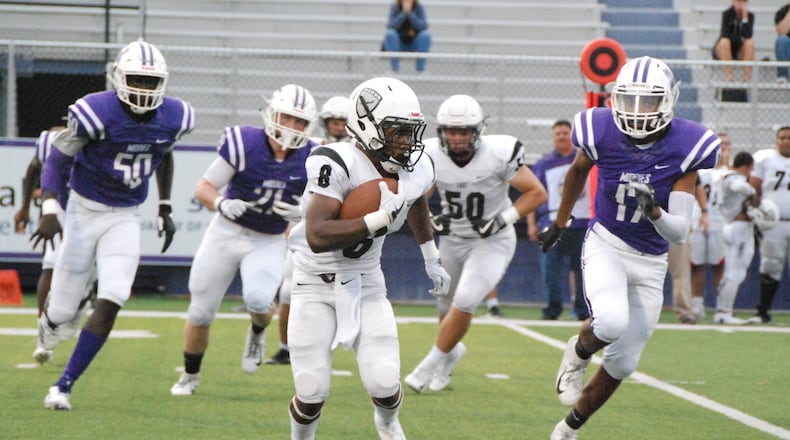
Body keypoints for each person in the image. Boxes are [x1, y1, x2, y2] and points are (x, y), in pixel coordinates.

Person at [539, 56, 720, 439]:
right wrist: (560, 222)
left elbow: (679, 233)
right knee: (611, 321)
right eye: (629, 100)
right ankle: (579, 351)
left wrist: (654, 209)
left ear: (669, 100)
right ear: (614, 98)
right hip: (607, 243)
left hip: (651, 260)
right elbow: (576, 171)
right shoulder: (600, 129)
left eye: (648, 102)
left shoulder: (687, 144)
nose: (637, 112)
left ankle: (567, 430)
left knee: (624, 364)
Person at [32, 39, 194, 410]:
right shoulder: (96, 110)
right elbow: (57, 159)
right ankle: (52, 323)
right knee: (58, 313)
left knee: (115, 295)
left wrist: (165, 205)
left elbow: (163, 154)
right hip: (83, 211)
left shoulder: (175, 116)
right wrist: (50, 207)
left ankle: (63, 386)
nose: (143, 89)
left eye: (151, 82)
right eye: (136, 79)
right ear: (118, 77)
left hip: (124, 215)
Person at [285, 77, 450, 439]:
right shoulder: (336, 160)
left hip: (366, 281)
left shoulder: (413, 165)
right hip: (314, 282)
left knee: (384, 383)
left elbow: (416, 196)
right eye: (397, 132)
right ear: (366, 124)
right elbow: (316, 235)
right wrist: (376, 219)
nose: (406, 142)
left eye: (410, 132)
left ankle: (388, 424)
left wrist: (430, 254)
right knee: (311, 391)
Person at [169, 84, 318, 395]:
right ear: (273, 114)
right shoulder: (244, 143)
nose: (293, 127)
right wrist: (221, 203)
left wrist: (303, 209)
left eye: (301, 122)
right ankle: (190, 376)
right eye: (288, 118)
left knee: (259, 300)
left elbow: (322, 203)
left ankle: (258, 329)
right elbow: (204, 188)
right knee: (200, 311)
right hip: (226, 232)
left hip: (267, 238)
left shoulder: (313, 156)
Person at [405, 94, 547, 393]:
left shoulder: (498, 152)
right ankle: (450, 354)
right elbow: (417, 195)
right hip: (453, 239)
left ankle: (428, 365)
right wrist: (431, 218)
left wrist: (501, 220)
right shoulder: (429, 154)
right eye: (452, 131)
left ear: (477, 130)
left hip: (491, 241)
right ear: (441, 131)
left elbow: (536, 193)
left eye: (464, 131)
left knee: (466, 299)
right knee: (445, 304)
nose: (457, 138)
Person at [17, 128, 96, 363]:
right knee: (51, 264)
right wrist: (25, 207)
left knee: (87, 273)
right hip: (60, 206)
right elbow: (34, 168)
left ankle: (82, 301)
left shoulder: (100, 138)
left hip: (94, 209)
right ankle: (44, 334)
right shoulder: (50, 142)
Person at [528, 119, 592, 321]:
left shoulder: (586, 159)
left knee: (583, 270)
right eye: (558, 133)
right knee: (551, 271)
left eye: (566, 133)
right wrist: (532, 223)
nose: (562, 136)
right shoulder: (544, 163)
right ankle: (552, 309)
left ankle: (582, 310)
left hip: (582, 224)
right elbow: (534, 193)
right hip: (551, 225)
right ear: (553, 137)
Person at [747, 126, 790, 323]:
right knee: (770, 265)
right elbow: (754, 189)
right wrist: (755, 211)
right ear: (776, 140)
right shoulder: (766, 158)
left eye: (789, 138)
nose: (785, 141)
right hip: (774, 223)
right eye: (782, 138)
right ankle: (762, 311)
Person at [713, 151, 758, 325]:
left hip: (737, 227)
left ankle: (724, 311)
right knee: (734, 272)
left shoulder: (725, 176)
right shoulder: (733, 177)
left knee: (736, 272)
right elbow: (737, 186)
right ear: (746, 167)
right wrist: (752, 191)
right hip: (736, 228)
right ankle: (724, 312)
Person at [690, 133, 731, 321]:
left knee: (718, 265)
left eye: (726, 145)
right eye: (720, 144)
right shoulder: (700, 169)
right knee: (696, 264)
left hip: (720, 221)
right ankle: (697, 304)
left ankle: (722, 306)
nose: (723, 148)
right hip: (698, 219)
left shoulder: (730, 172)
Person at [667, 178, 708, 324]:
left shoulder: (682, 159)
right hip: (647, 222)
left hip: (676, 222)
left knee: (682, 271)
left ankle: (685, 312)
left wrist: (704, 211)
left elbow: (697, 184)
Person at [383, 0, 432, 73]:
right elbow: (390, 26)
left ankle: (420, 70)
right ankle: (395, 69)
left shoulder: (419, 7)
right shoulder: (395, 7)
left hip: (414, 42)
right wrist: (403, 14)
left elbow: (423, 26)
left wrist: (410, 14)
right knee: (390, 34)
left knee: (426, 35)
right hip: (399, 43)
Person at [712, 0, 754, 82]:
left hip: (739, 49)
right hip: (725, 48)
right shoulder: (727, 14)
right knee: (725, 42)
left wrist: (745, 19)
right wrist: (739, 38)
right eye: (739, 1)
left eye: (744, 2)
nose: (741, 4)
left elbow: (748, 35)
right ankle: (729, 76)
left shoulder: (750, 16)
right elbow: (725, 33)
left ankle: (746, 77)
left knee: (749, 43)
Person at [774, 4, 790, 82]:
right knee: (782, 40)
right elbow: (782, 31)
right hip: (788, 49)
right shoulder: (782, 12)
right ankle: (783, 76)